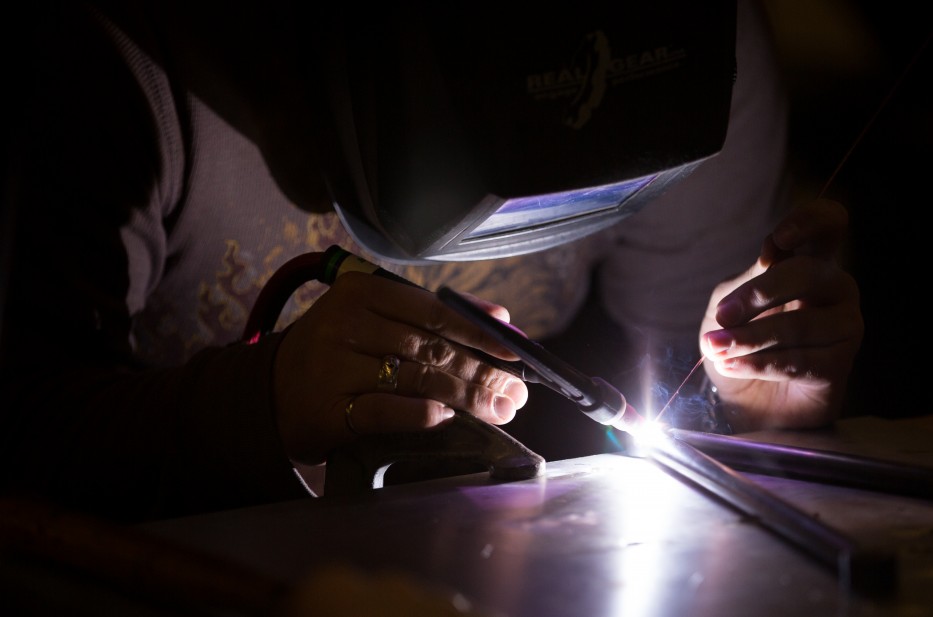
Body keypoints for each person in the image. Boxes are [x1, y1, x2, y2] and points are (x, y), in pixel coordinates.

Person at [0, 0, 862, 523]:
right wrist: (266, 400)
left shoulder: (690, 47)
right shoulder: (122, 52)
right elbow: (24, 438)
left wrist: (752, 397)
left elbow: (687, 406)